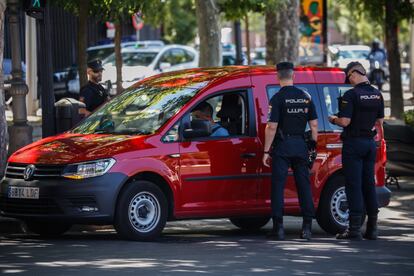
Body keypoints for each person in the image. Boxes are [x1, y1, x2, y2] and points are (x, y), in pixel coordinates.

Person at [328, 61, 384, 240]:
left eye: (348, 77)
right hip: (370, 143)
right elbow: (380, 122)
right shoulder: (377, 94)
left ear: (353, 73)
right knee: (369, 184)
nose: (349, 81)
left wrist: (333, 119)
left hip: (354, 144)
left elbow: (345, 122)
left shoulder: (351, 95)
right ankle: (373, 228)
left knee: (353, 185)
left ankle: (353, 230)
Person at [263, 62, 318, 241]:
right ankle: (307, 229)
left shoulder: (277, 98)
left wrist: (266, 151)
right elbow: (314, 124)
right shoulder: (305, 96)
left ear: (278, 76)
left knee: (278, 187)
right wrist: (313, 146)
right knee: (303, 186)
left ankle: (278, 229)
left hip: (283, 147)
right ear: (293, 76)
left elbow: (272, 127)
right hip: (301, 145)